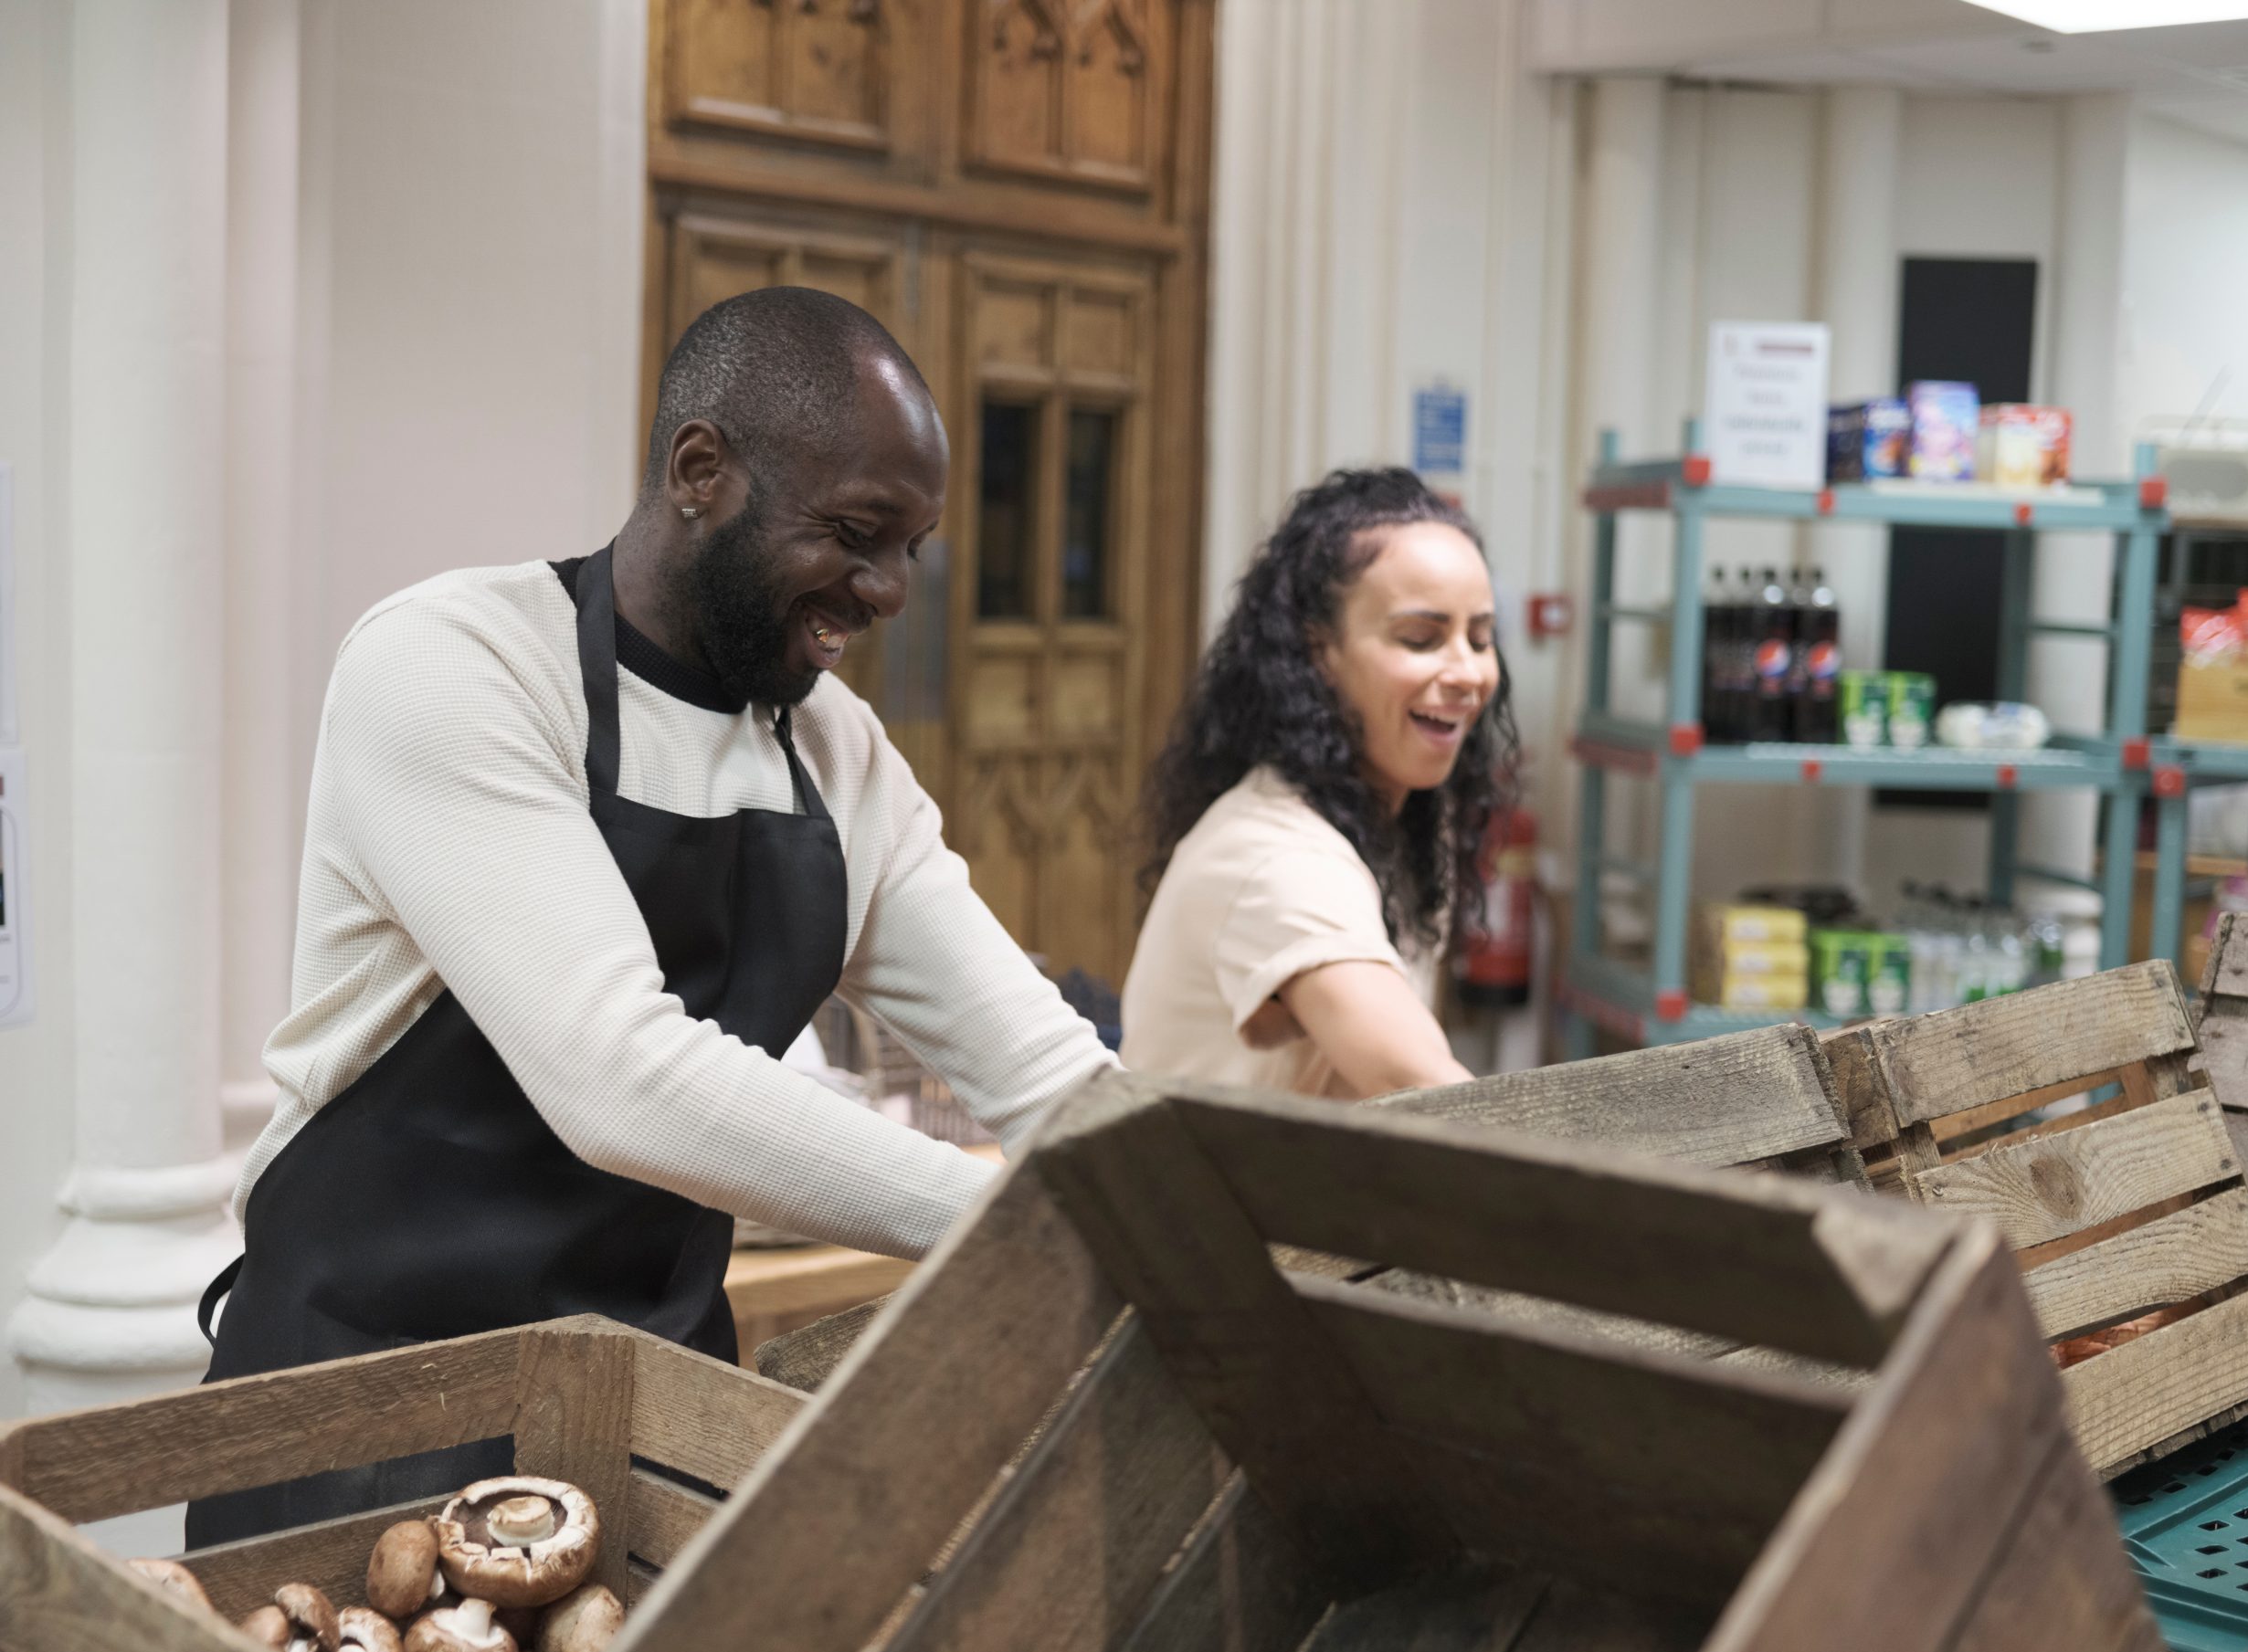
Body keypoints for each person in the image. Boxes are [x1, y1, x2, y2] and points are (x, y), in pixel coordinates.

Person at [188, 289, 1114, 1542]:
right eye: (855, 532)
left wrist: (1199, 1210)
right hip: (360, 1415)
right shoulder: (457, 664)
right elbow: (620, 1073)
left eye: (914, 548)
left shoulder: (839, 759)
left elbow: (1050, 1070)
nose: (890, 589)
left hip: (644, 1425)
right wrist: (1017, 1221)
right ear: (699, 471)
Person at [1120, 468, 1517, 1099]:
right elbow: (1426, 1088)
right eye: (1422, 638)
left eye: (1481, 638)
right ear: (1318, 654)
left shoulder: (1409, 824)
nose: (1468, 672)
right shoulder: (1275, 858)